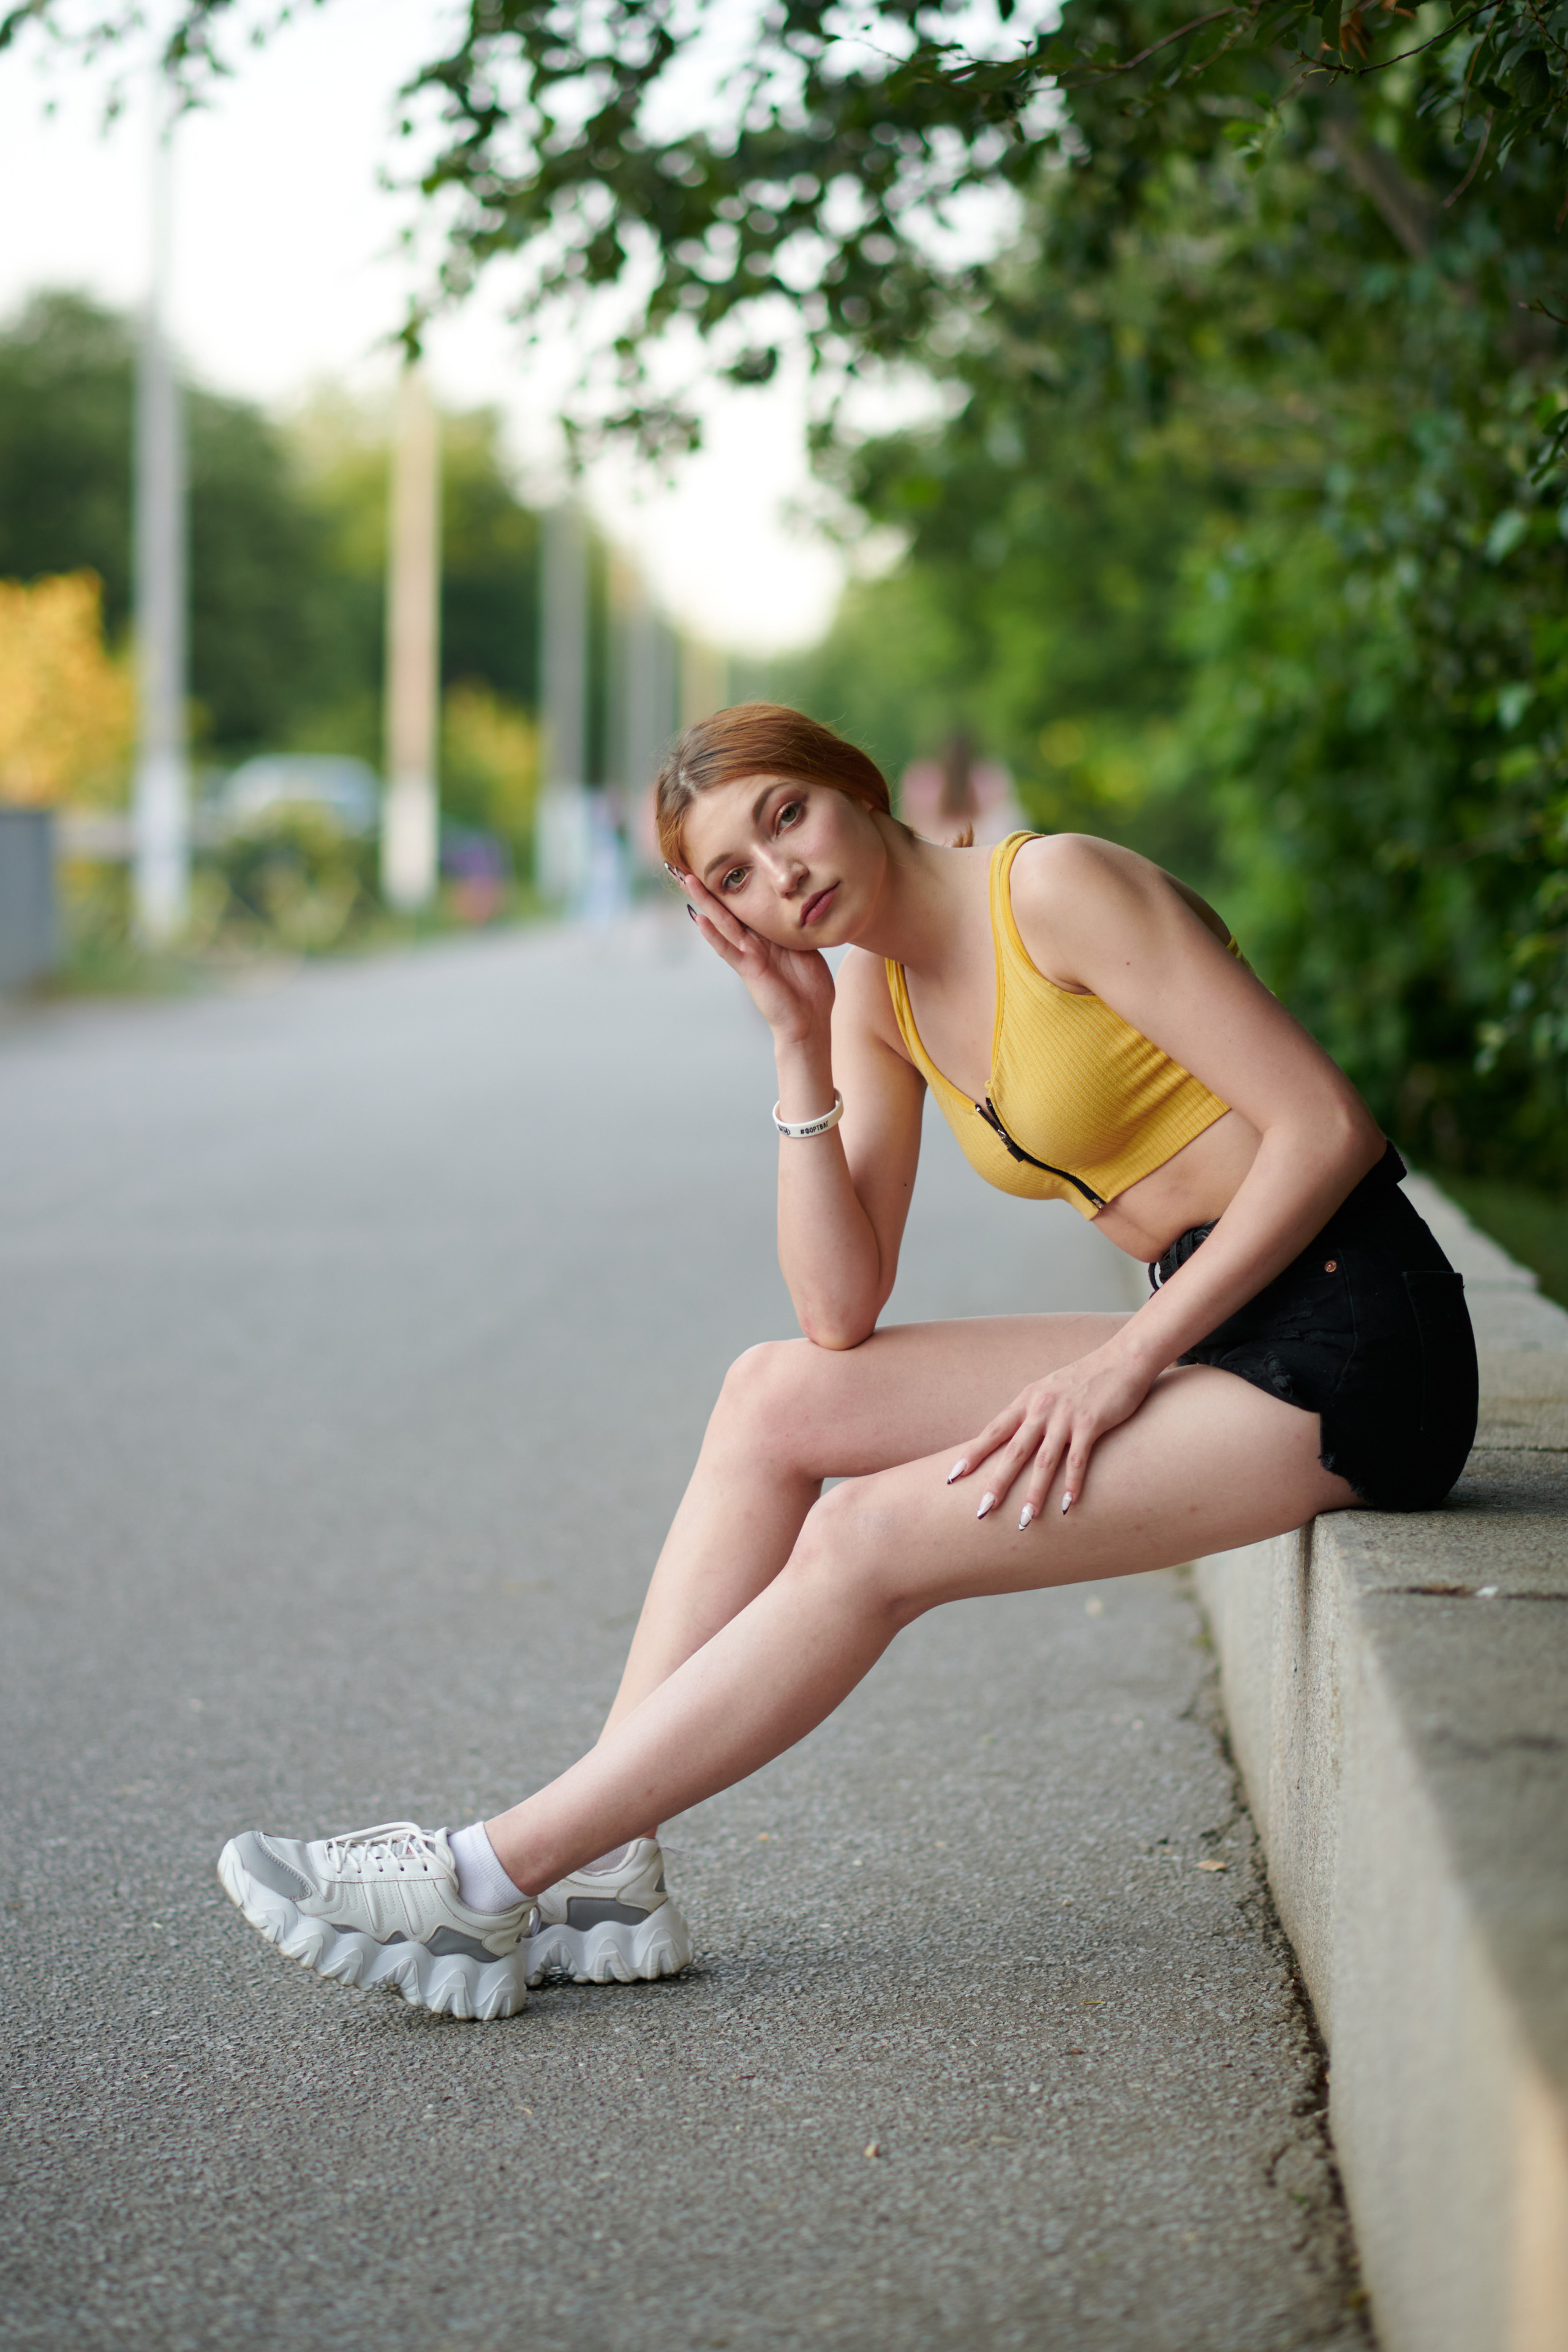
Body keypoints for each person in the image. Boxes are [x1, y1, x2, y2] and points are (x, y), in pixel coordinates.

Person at [218, 704, 1479, 2022]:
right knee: (773, 1396)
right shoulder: (876, 993)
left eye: (784, 817)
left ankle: (483, 1878)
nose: (784, 875)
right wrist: (795, 1041)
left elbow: (1325, 1125)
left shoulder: (1052, 889)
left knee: (869, 1534)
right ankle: (605, 1871)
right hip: (1222, 1325)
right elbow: (836, 1308)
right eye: (735, 878)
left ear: (849, 786)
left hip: (1355, 1340)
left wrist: (1124, 1364)